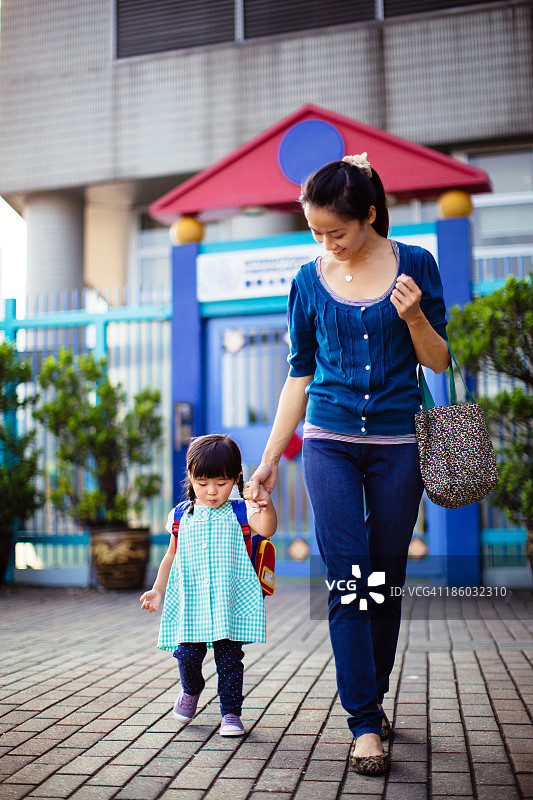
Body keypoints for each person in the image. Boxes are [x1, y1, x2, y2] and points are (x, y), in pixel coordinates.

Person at [249, 153, 449, 774]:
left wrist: (412, 313)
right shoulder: (307, 283)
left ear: (369, 215)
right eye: (315, 232)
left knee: (384, 580)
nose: (326, 244)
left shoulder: (416, 265)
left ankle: (375, 700)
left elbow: (439, 362)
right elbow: (298, 376)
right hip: (328, 442)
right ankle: (363, 723)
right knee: (348, 577)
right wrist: (267, 463)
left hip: (398, 447)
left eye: (336, 231)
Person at [141, 434, 276, 737]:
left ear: (237, 477)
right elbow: (171, 555)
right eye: (202, 484)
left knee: (229, 661)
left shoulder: (242, 510)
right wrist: (157, 589)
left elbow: (268, 529)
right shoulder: (180, 515)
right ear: (190, 476)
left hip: (229, 601)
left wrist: (265, 503)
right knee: (187, 656)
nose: (212, 492)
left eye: (221, 483)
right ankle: (192, 688)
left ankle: (230, 713)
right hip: (191, 601)